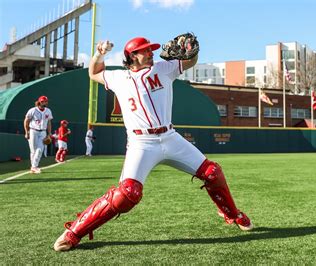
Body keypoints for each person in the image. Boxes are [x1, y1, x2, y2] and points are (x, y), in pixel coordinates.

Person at [53, 37, 253, 252]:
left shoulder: (163, 68)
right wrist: (99, 54)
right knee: (127, 194)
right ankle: (73, 232)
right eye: (145, 51)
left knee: (212, 172)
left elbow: (190, 61)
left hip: (170, 137)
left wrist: (192, 52)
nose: (151, 53)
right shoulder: (118, 77)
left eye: (151, 50)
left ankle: (232, 214)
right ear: (132, 56)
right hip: (142, 143)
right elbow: (93, 73)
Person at [24, 95, 53, 174]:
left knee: (40, 149)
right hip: (33, 131)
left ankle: (34, 166)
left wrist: (49, 133)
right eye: (43, 101)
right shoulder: (32, 110)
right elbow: (26, 121)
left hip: (43, 132)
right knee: (33, 150)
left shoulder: (48, 111)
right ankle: (33, 167)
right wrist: (27, 132)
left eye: (46, 101)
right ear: (39, 102)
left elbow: (49, 122)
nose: (45, 102)